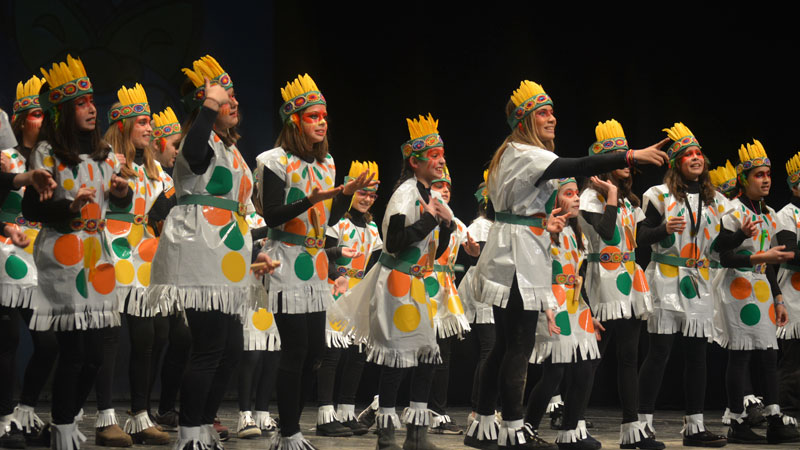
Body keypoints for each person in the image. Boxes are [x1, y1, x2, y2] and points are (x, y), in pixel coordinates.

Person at [465, 83, 667, 450]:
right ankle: (512, 429)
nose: (552, 118)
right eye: (543, 113)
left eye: (552, 112)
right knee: (517, 346)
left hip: (516, 246)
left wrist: (544, 224)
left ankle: (483, 426)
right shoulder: (525, 152)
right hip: (516, 254)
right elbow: (580, 165)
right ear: (524, 121)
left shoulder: (512, 153)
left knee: (506, 346)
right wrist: (630, 155)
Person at [147, 55, 271, 450]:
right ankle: (189, 433)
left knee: (231, 351)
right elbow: (197, 154)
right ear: (206, 105)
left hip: (227, 259)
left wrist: (252, 253)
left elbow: (237, 212)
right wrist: (209, 105)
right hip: (199, 254)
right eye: (224, 97)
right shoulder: (196, 142)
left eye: (232, 96)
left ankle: (201, 425)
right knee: (208, 349)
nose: (234, 103)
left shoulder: (230, 149)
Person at [255, 73, 373, 449]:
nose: (322, 122)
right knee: (296, 350)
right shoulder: (274, 160)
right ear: (295, 122)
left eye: (324, 116)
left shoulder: (327, 163)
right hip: (285, 260)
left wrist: (343, 195)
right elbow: (273, 214)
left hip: (315, 264)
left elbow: (326, 219)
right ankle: (289, 432)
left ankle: (292, 427)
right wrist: (312, 198)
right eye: (313, 117)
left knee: (315, 353)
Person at [22, 54, 132, 450]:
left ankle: (62, 420)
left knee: (95, 357)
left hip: (97, 258)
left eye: (90, 102)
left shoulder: (105, 154)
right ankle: (64, 426)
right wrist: (70, 206)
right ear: (64, 112)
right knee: (73, 351)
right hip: (64, 257)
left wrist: (121, 192)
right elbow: (32, 209)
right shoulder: (47, 153)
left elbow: (118, 203)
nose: (91, 108)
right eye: (80, 104)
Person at [328, 113, 455, 450]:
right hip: (396, 281)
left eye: (442, 154)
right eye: (434, 155)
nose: (441, 160)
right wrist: (431, 219)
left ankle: (416, 434)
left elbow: (434, 246)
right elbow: (395, 242)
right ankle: (386, 435)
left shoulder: (428, 194)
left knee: (427, 355)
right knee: (396, 357)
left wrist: (445, 225)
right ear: (415, 161)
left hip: (416, 282)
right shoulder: (405, 193)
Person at [635, 123, 728, 447]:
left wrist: (742, 235)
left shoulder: (717, 201)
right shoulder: (658, 195)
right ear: (676, 162)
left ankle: (694, 427)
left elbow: (722, 244)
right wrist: (663, 230)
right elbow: (640, 237)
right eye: (688, 154)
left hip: (699, 281)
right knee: (659, 353)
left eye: (699, 153)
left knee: (697, 355)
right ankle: (641, 424)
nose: (696, 158)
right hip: (665, 276)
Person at [97, 83, 173, 445]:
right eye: (142, 122)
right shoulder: (106, 162)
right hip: (110, 252)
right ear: (124, 125)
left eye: (150, 122)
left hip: (142, 258)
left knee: (146, 338)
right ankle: (104, 418)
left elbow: (167, 208)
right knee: (108, 339)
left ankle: (140, 416)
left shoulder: (156, 172)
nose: (149, 128)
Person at [714, 139, 800, 445]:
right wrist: (745, 241)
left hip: (762, 287)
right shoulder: (732, 211)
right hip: (737, 286)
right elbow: (723, 256)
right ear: (744, 179)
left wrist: (778, 298)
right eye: (758, 175)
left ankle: (775, 420)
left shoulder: (770, 214)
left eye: (768, 174)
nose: (765, 180)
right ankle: (737, 423)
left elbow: (771, 262)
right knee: (740, 355)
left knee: (769, 353)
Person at [1, 76, 59, 447]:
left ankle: (25, 410)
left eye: (44, 114)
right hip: (5, 254)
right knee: (6, 339)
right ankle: (5, 418)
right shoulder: (5, 157)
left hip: (38, 257)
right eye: (36, 114)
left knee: (48, 343)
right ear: (21, 121)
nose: (41, 121)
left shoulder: (50, 159)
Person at [524, 177, 601, 450]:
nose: (577, 198)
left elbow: (578, 276)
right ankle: (528, 427)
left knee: (585, 367)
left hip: (575, 305)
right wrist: (545, 307)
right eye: (569, 194)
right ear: (554, 200)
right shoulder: (544, 230)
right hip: (552, 304)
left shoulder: (576, 233)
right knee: (554, 371)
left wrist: (589, 313)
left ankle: (570, 432)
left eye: (577, 193)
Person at [315, 161, 382, 438]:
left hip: (360, 293)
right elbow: (324, 253)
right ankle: (325, 415)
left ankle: (345, 411)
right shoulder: (338, 224)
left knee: (357, 355)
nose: (367, 199)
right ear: (352, 191)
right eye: (362, 192)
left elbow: (374, 264)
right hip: (335, 289)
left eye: (372, 195)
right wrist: (335, 276)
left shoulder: (373, 229)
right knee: (332, 354)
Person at [427, 165, 478, 435]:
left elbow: (469, 254)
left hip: (445, 292)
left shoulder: (458, 224)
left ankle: (438, 411)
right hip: (422, 288)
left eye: (448, 186)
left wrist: (474, 254)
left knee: (443, 354)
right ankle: (384, 405)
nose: (445, 190)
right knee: (414, 352)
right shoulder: (422, 215)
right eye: (439, 185)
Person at [458, 171, 496, 430]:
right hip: (484, 289)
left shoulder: (497, 225)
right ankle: (479, 409)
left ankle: (485, 407)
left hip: (497, 288)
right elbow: (481, 259)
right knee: (489, 349)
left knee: (493, 350)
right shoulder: (481, 225)